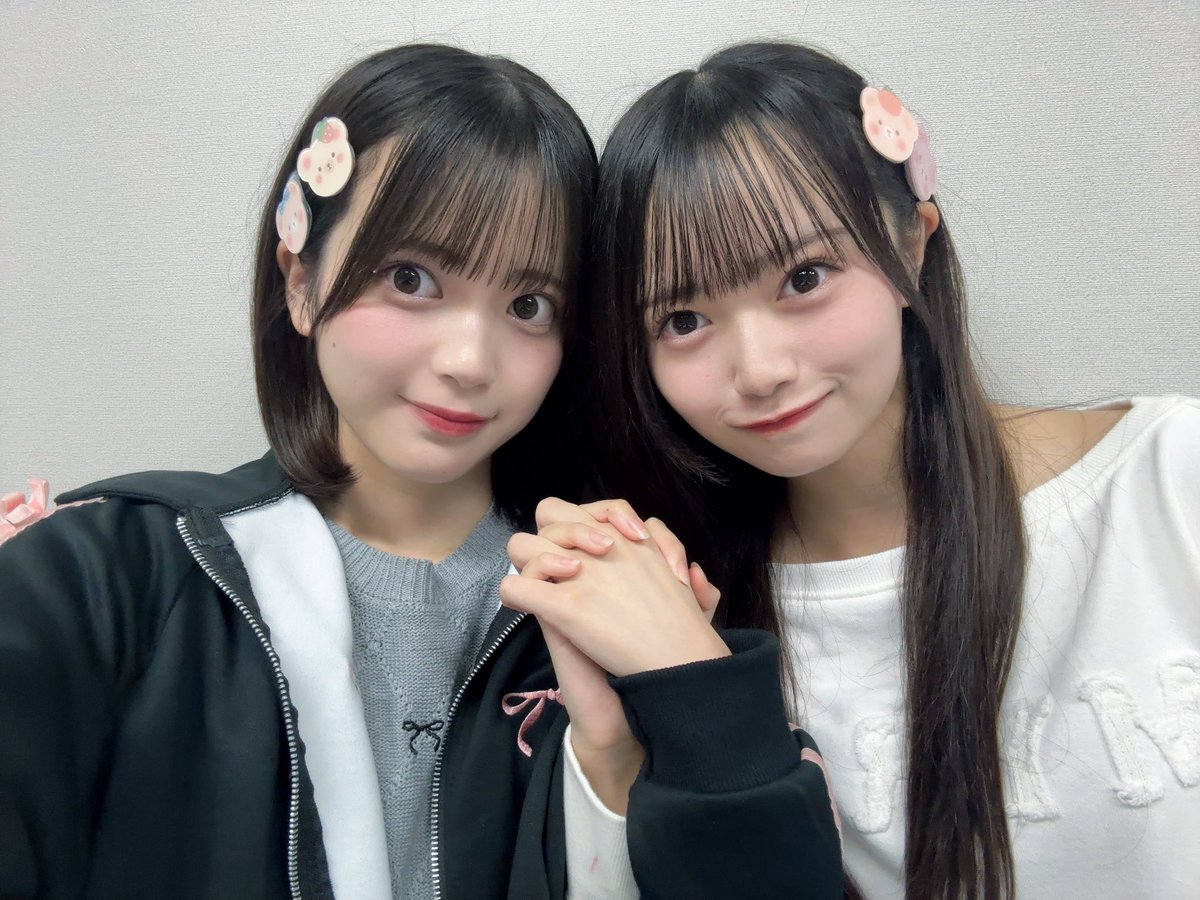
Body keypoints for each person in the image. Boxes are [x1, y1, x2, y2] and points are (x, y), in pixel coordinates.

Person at [503, 41, 1200, 898]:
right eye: (683, 320)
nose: (760, 370)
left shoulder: (1171, 476)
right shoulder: (688, 599)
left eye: (805, 276)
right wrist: (621, 742)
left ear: (911, 243)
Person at [1, 42, 635, 899]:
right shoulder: (105, 573)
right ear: (300, 281)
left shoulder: (610, 599)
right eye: (411, 278)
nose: (469, 361)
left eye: (529, 304)